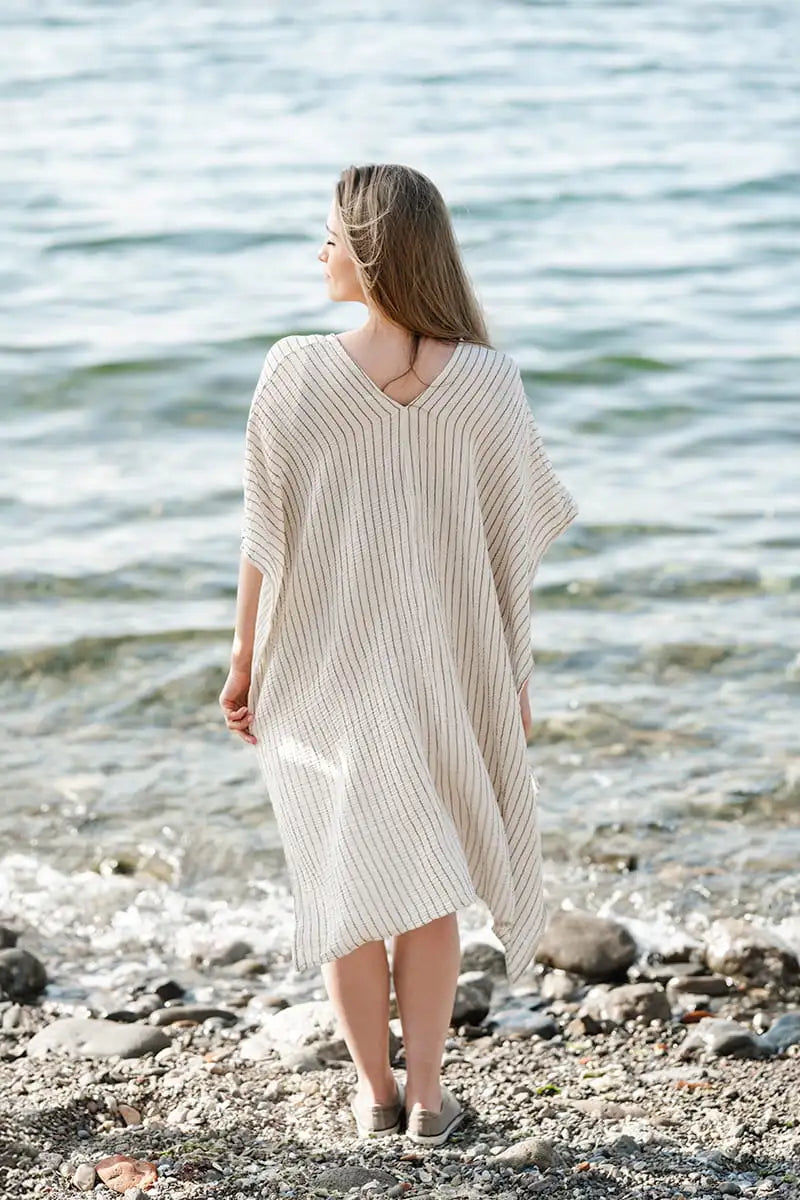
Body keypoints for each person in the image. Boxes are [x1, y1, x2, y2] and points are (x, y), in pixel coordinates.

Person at [218, 163, 578, 1146]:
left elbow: (263, 536)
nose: (319, 251)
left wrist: (244, 657)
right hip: (444, 671)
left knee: (343, 874)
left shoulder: (292, 369)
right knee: (426, 873)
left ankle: (373, 1096)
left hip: (318, 666)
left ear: (370, 248)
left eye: (330, 234)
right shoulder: (487, 384)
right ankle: (428, 1101)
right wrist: (511, 677)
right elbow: (516, 549)